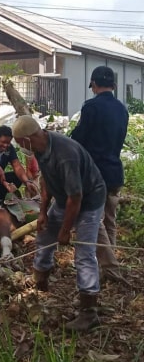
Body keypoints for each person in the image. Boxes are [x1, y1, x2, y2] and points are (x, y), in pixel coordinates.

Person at [13, 115, 107, 332]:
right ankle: (40, 278)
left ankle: (89, 310)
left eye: (20, 143)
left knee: (84, 253)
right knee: (45, 235)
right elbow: (46, 181)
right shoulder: (40, 148)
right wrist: (43, 212)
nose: (20, 148)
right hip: (65, 198)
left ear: (28, 138)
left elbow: (76, 198)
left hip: (89, 201)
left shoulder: (65, 154)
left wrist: (65, 230)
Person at [70, 66, 129, 284]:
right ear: (113, 86)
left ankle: (111, 268)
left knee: (94, 221)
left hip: (96, 174)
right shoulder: (122, 110)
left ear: (94, 85)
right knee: (109, 220)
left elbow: (79, 138)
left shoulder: (91, 107)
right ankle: (110, 262)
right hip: (115, 171)